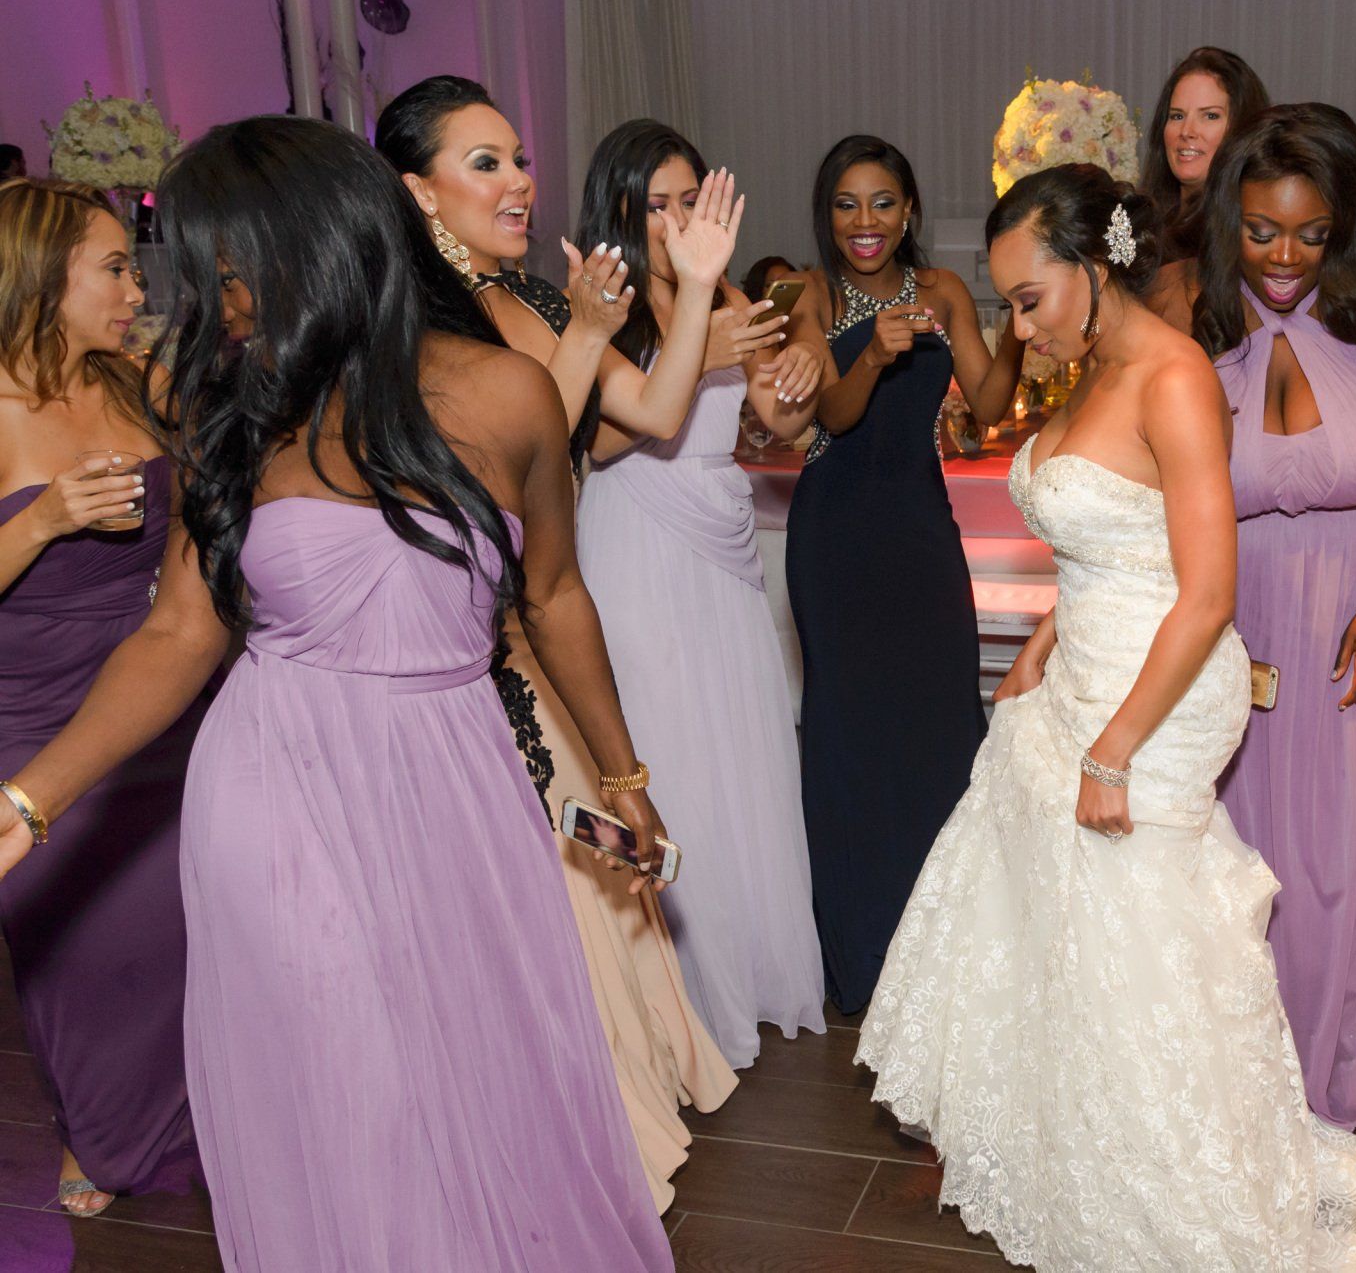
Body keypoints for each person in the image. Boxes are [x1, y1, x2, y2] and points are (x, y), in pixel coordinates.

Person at [0, 116, 677, 1270]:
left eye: (218, 263)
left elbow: (555, 594)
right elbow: (177, 633)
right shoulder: (230, 409)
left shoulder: (507, 392)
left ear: (301, 246)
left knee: (474, 1061)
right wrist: (30, 800)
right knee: (342, 1066)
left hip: (457, 777)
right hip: (279, 781)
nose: (203, 295)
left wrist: (623, 775)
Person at [857, 164, 1356, 1269]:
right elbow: (1107, 547)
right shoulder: (1092, 365)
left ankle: (1183, 1174)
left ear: (1093, 265)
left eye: (1030, 298)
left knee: (1147, 934)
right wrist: (1041, 646)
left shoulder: (1172, 376)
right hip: (1088, 663)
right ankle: (1086, 1143)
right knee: (1070, 918)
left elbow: (1206, 592)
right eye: (1008, 302)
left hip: (1161, 695)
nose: (1019, 325)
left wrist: (1115, 749)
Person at [376, 75, 757, 1206]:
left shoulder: (535, 294)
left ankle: (616, 1086)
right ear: (417, 190)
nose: (519, 182)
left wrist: (693, 287)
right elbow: (511, 462)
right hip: (468, 641)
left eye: (520, 158)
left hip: (542, 624)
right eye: (484, 162)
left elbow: (658, 411)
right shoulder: (409, 317)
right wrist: (588, 331)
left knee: (593, 869)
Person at [1186, 103, 1356, 1130]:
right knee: (1235, 847)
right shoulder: (1198, 309)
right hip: (1231, 607)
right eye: (1261, 230)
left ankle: (1334, 1075)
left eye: (1312, 232)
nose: (1284, 256)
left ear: (1348, 222)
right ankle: (1237, 1083)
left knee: (1351, 853)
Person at [573, 119, 827, 1068]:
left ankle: (746, 970)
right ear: (620, 211)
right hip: (636, 536)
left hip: (723, 548)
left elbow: (781, 426)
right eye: (659, 205)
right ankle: (670, 993)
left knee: (739, 744)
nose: (679, 221)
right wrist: (697, 350)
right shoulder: (598, 307)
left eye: (691, 201)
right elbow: (597, 443)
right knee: (665, 744)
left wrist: (796, 378)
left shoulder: (724, 293)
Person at [783, 134, 1023, 1013]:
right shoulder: (810, 295)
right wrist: (875, 353)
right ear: (828, 214)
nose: (865, 221)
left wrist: (1018, 325)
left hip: (920, 530)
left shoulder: (944, 290)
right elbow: (832, 416)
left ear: (909, 209)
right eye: (847, 204)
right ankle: (861, 948)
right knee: (850, 732)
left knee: (938, 721)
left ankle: (946, 944)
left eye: (882, 202)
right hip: (836, 535)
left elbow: (988, 407)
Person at [0, 178, 202, 1217]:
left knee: (191, 921)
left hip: (165, 688)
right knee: (87, 942)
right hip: (34, 710)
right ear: (43, 277)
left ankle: (216, 1101)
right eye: (115, 268)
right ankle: (99, 1128)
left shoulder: (134, 382)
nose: (136, 290)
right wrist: (40, 522)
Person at [1138, 46, 1269, 262]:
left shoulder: (1250, 235)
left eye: (1210, 116)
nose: (1187, 131)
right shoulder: (1140, 222)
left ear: (1243, 129)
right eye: (1177, 116)